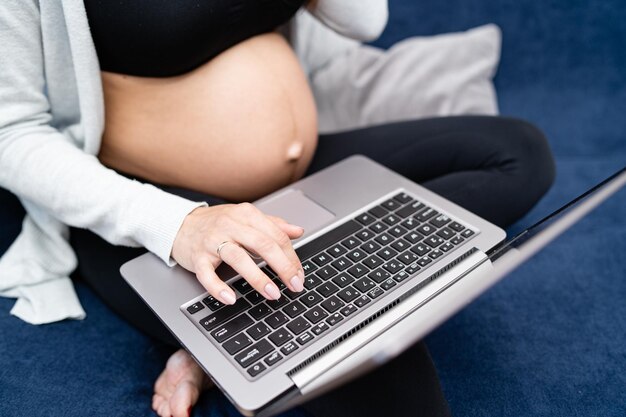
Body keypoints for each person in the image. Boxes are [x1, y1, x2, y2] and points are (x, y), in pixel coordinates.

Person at [0, 1, 555, 417]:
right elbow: (11, 133)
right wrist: (180, 226)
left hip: (303, 179)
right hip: (157, 212)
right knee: (368, 360)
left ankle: (234, 343)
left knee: (516, 154)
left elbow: (365, 19)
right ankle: (251, 330)